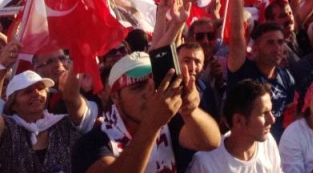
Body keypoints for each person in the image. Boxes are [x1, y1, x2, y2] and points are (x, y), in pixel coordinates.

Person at [72, 51, 221, 173]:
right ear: (115, 97)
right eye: (138, 86)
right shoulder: (94, 141)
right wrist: (152, 125)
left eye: (155, 85)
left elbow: (211, 142)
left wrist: (190, 110)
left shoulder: (169, 123)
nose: (150, 93)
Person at [225, 0, 295, 142]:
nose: (277, 48)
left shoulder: (286, 78)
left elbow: (291, 118)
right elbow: (236, 38)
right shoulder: (242, 70)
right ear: (255, 48)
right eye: (270, 43)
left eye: (280, 42)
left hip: (276, 153)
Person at [0, 65, 98, 173]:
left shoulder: (64, 124)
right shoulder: (7, 129)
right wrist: (2, 67)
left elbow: (71, 97)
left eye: (41, 88)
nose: (36, 93)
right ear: (13, 104)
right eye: (28, 91)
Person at [187, 80, 281, 172]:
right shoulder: (205, 163)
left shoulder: (268, 142)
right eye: (264, 113)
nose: (272, 119)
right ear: (238, 120)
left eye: (271, 112)